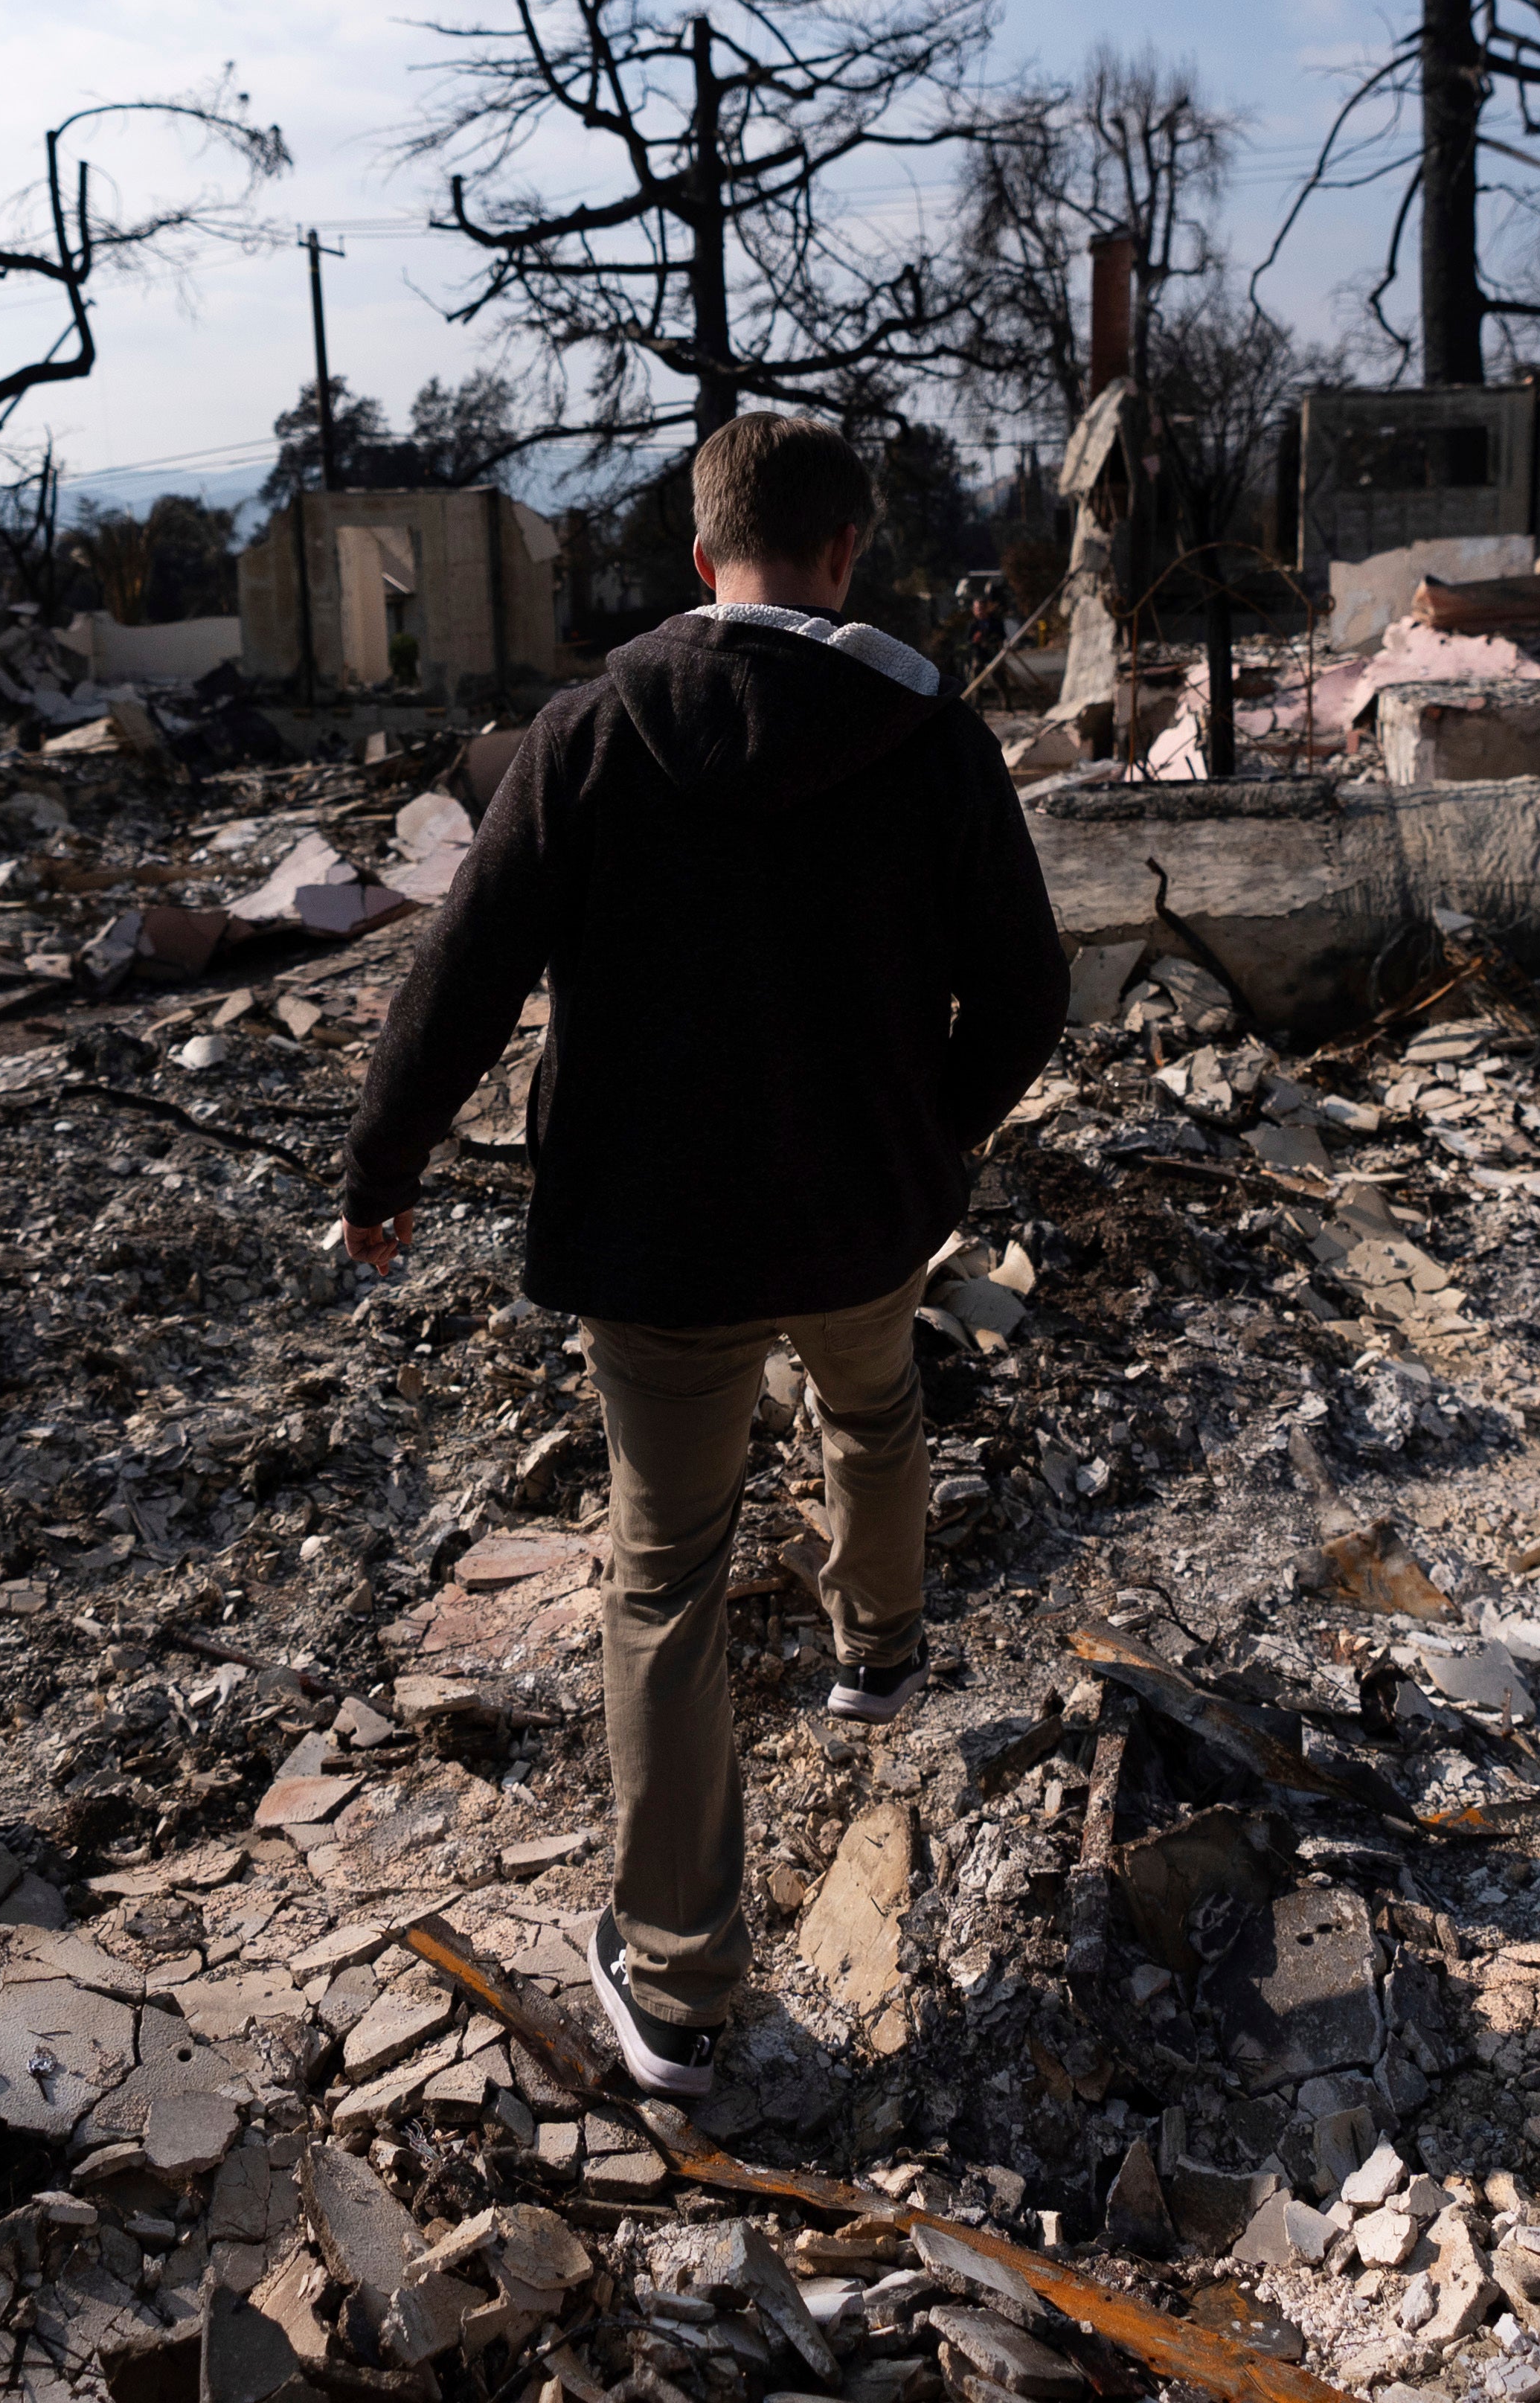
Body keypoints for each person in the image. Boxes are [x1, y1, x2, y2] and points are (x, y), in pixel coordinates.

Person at [338, 414, 1068, 2099]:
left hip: (654, 1237)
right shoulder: (934, 740)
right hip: (859, 1219)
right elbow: (1027, 991)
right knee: (873, 1409)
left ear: (698, 559)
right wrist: (930, 1136)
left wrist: (382, 1160)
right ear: (845, 552)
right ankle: (879, 1651)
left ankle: (674, 1986)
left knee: (663, 1571)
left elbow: (461, 971)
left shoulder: (591, 733)